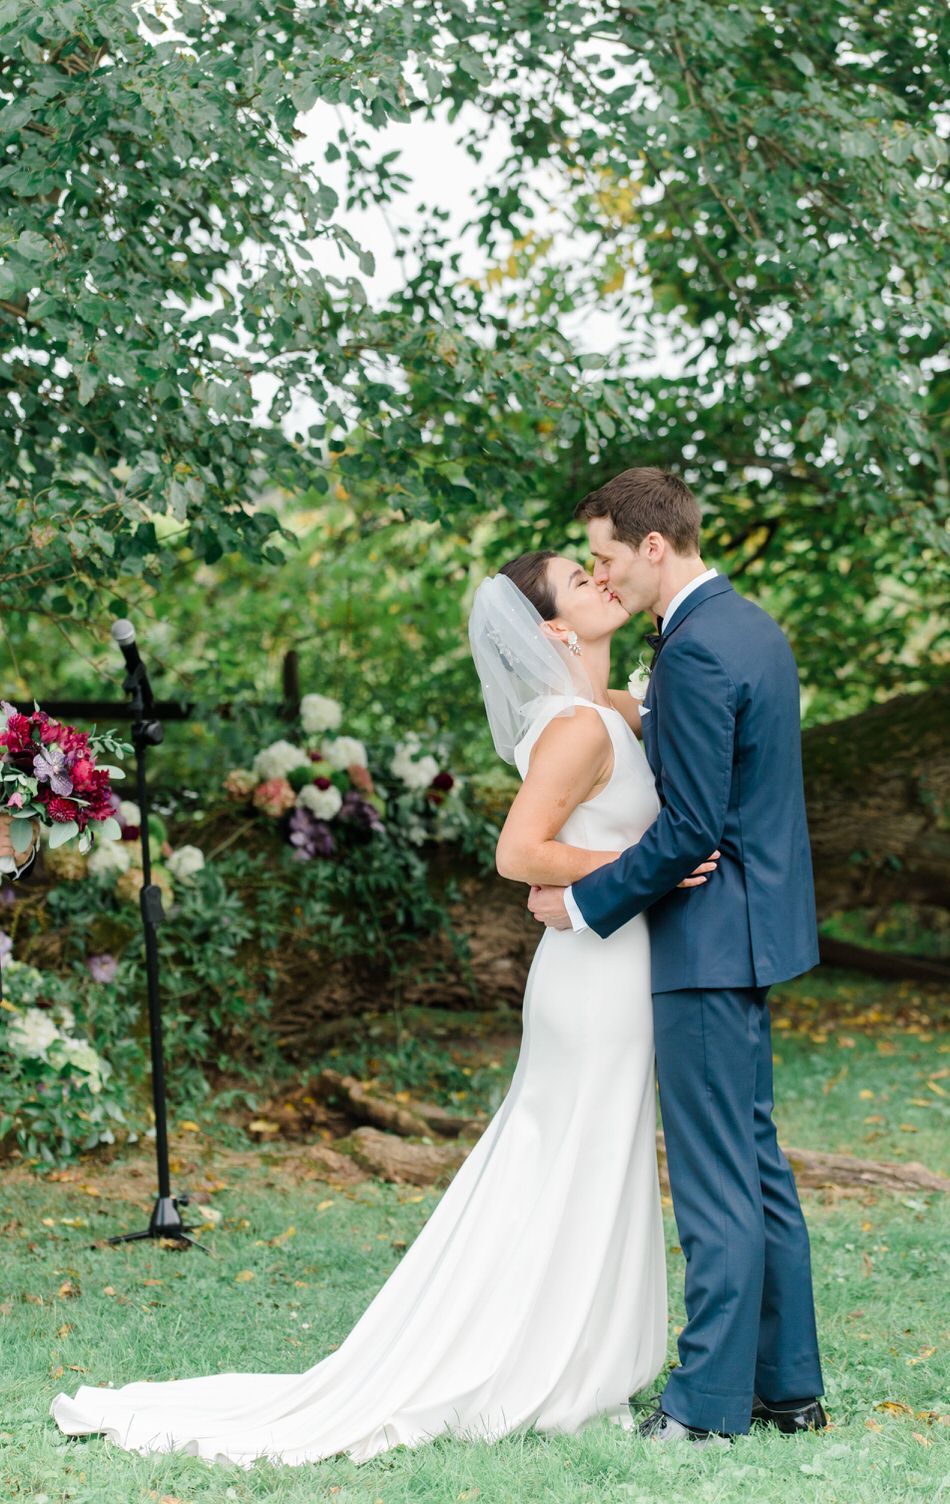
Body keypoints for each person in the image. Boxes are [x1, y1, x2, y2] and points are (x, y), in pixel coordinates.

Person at [49, 549, 716, 1468]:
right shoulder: (576, 729)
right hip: (595, 979)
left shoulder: (615, 714)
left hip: (607, 963)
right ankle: (544, 1366)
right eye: (581, 580)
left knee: (586, 1159)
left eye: (600, 570)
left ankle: (573, 1354)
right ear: (555, 628)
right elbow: (519, 855)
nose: (605, 580)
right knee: (574, 1156)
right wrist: (651, 872)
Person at [529, 467, 827, 1443]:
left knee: (713, 1182)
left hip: (705, 939)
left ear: (654, 546)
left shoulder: (696, 651)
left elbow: (691, 826)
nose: (604, 577)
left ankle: (702, 1407)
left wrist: (579, 899)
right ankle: (785, 1387)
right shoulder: (749, 628)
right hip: (753, 925)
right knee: (753, 1164)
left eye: (609, 558)